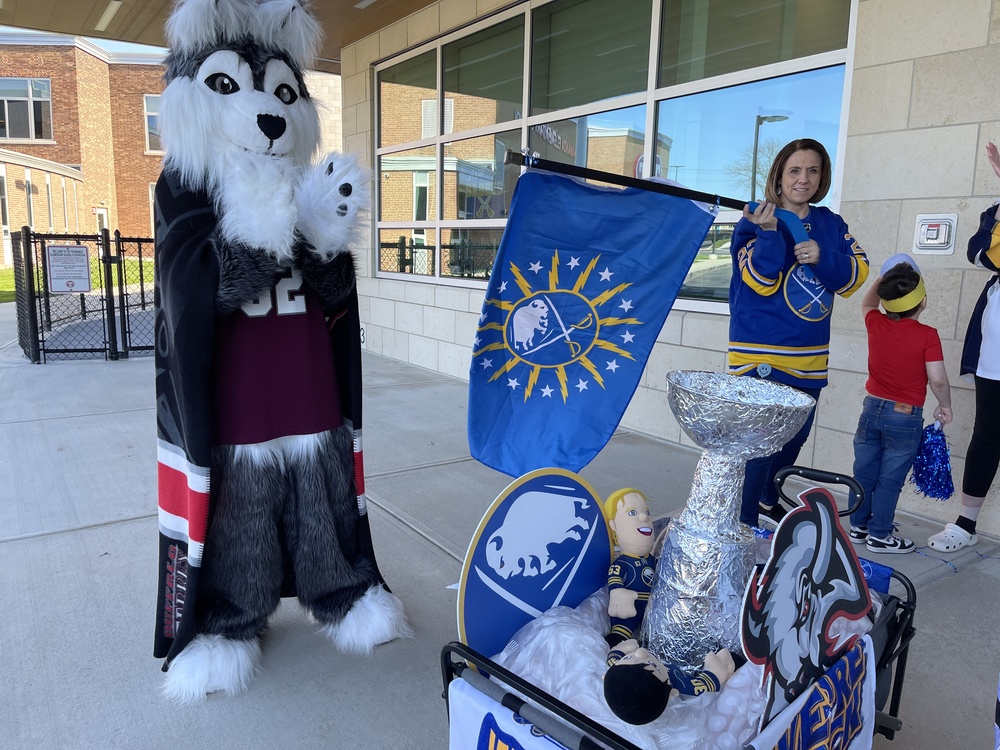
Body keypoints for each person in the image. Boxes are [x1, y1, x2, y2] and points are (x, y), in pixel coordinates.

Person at [728, 138, 870, 527]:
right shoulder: (754, 220)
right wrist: (772, 233)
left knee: (793, 439)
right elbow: (759, 280)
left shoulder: (830, 224)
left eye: (812, 170)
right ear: (779, 174)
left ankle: (766, 501)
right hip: (760, 359)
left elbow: (856, 275)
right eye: (794, 170)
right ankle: (742, 527)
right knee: (757, 449)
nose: (803, 178)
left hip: (809, 360)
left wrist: (825, 257)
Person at [848, 257, 952, 553]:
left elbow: (868, 303)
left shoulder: (875, 321)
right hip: (904, 416)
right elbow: (938, 379)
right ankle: (880, 535)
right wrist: (944, 405)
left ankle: (859, 526)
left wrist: (885, 278)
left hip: (871, 410)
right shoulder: (926, 335)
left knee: (865, 472)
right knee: (890, 479)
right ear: (923, 302)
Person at [927, 142, 1000, 553]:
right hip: (997, 340)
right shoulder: (996, 210)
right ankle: (965, 523)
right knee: (989, 430)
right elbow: (980, 255)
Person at [604, 488, 657, 648]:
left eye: (646, 511)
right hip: (630, 608)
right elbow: (615, 578)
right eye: (632, 513)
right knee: (620, 634)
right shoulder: (623, 562)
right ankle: (616, 653)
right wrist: (617, 592)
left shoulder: (652, 560)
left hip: (653, 610)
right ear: (614, 525)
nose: (644, 516)